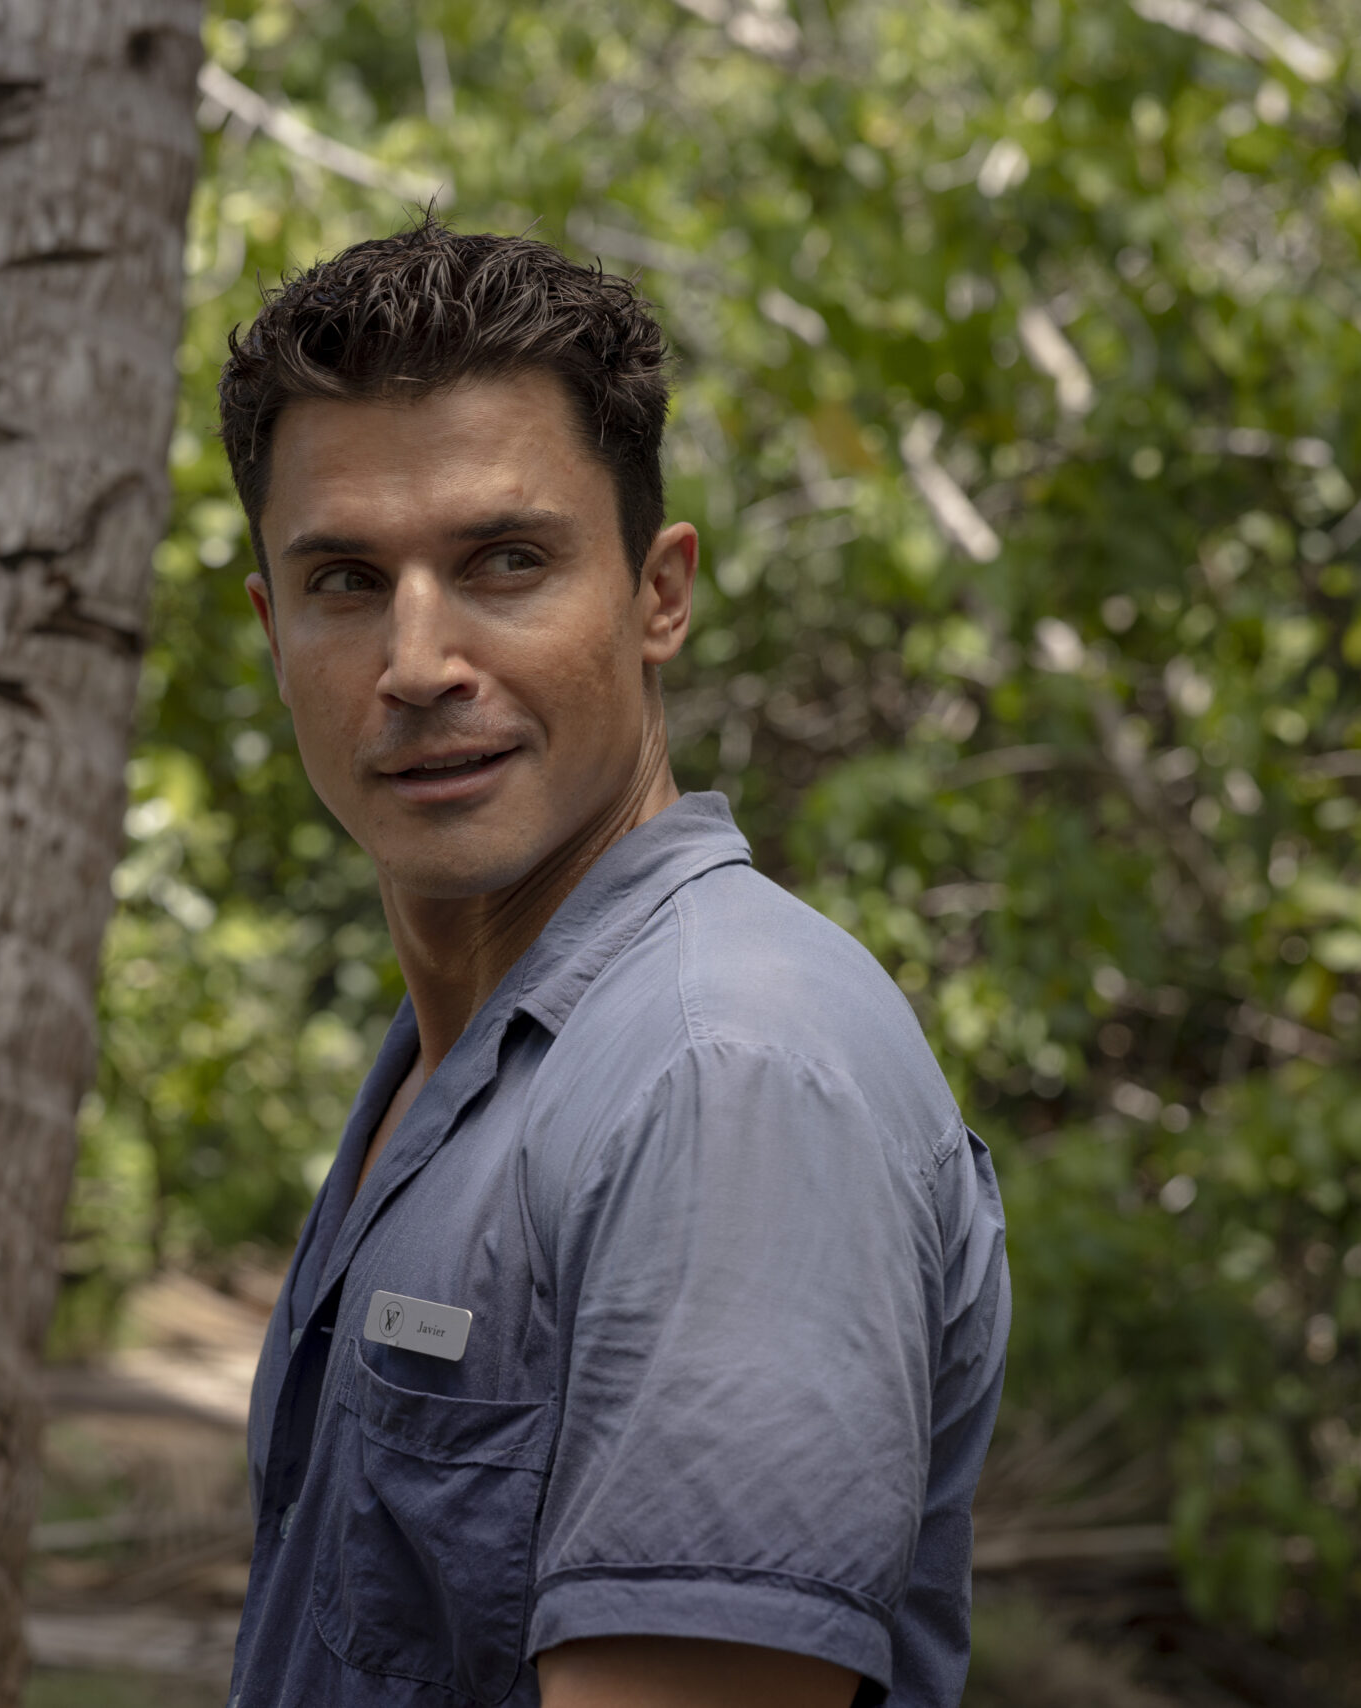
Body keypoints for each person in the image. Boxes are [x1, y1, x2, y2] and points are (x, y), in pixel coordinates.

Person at [215, 216, 1009, 1708]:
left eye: (506, 561)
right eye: (345, 581)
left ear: (659, 594)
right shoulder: (480, 1054)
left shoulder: (724, 1074)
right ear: (273, 628)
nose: (418, 663)